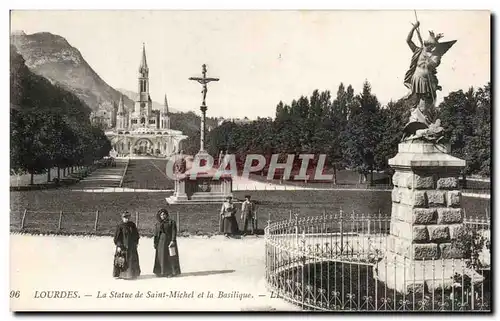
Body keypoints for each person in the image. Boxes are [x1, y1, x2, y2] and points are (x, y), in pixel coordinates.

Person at [153, 209, 181, 277]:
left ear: (167, 215)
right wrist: (155, 243)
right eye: (161, 215)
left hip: (169, 242)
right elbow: (156, 234)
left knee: (170, 257)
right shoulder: (158, 223)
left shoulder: (171, 222)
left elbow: (174, 232)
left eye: (164, 214)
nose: (163, 216)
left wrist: (172, 241)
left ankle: (171, 272)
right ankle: (161, 272)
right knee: (161, 257)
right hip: (160, 243)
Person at [113, 211, 141, 279]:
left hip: (131, 246)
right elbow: (117, 237)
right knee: (122, 260)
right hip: (123, 246)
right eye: (125, 217)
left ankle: (132, 274)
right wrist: (119, 245)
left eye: (128, 217)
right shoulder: (120, 226)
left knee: (131, 259)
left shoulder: (132, 225)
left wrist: (136, 242)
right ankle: (121, 275)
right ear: (122, 218)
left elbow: (136, 235)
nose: (127, 219)